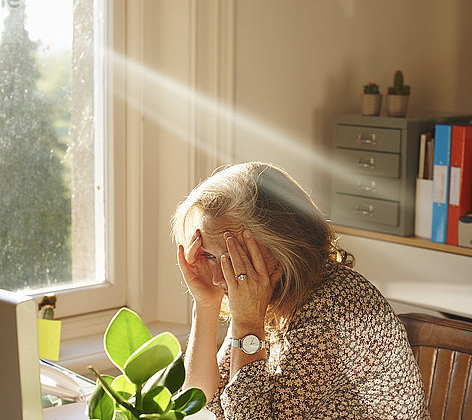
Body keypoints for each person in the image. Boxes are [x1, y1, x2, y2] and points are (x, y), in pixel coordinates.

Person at [172, 162, 429, 419]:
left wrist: (248, 323)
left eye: (233, 258)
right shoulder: (266, 291)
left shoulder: (332, 306)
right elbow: (204, 400)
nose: (218, 277)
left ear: (283, 246)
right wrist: (205, 304)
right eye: (208, 255)